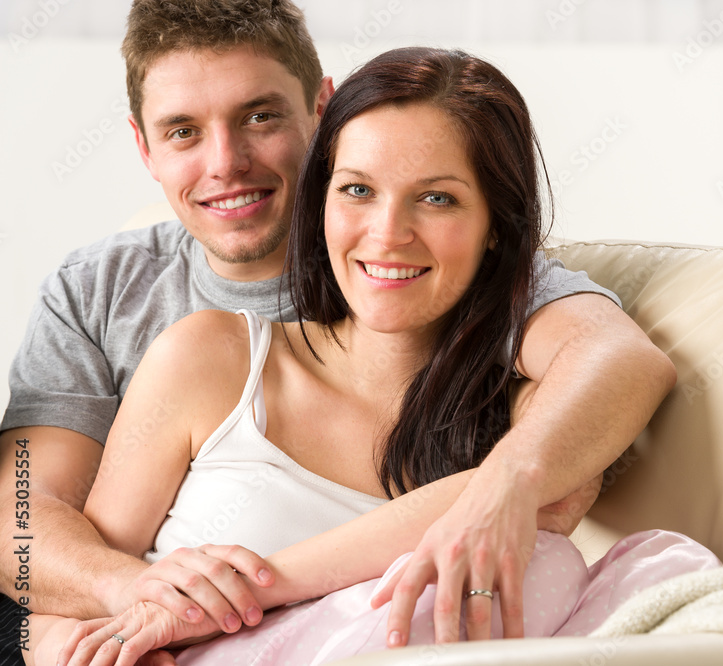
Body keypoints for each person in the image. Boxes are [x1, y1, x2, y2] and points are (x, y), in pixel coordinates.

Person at [0, 2, 675, 665]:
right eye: (182, 131)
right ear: (143, 146)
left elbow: (617, 364)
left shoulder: (490, 305)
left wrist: (508, 484)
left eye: (260, 116)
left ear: (320, 113)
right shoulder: (113, 299)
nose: (226, 161)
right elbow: (21, 517)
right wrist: (118, 607)